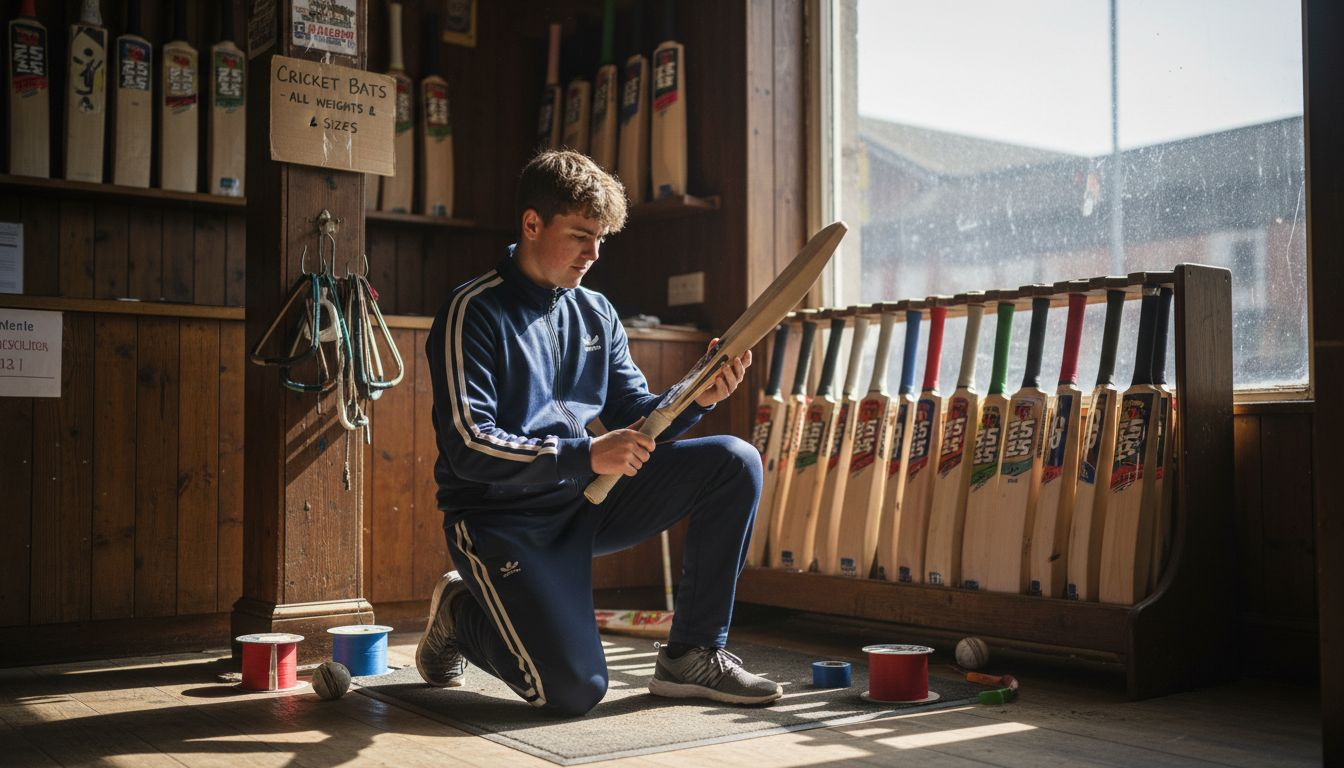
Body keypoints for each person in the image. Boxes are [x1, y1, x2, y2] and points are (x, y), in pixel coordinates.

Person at [417, 150, 780, 717]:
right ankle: (462, 615)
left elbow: (637, 414)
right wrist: (587, 453)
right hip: (502, 521)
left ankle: (693, 654)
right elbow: (469, 446)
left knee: (734, 460)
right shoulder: (473, 310)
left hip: (588, 499)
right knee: (571, 693)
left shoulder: (597, 312)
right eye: (582, 235)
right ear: (532, 224)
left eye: (602, 237)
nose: (595, 253)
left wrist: (695, 396)